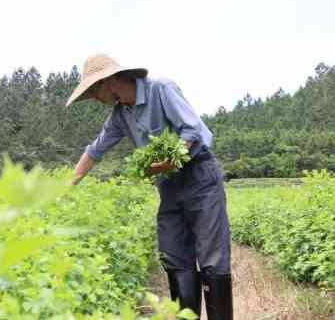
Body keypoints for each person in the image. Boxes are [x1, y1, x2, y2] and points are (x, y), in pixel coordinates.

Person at [66, 53, 232, 320]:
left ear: (110, 81)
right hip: (168, 185)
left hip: (199, 176)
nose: (95, 98)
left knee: (213, 259)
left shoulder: (161, 89)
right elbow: (95, 151)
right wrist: (67, 185)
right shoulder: (121, 114)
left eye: (95, 90)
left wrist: (170, 159)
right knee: (175, 257)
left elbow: (192, 130)